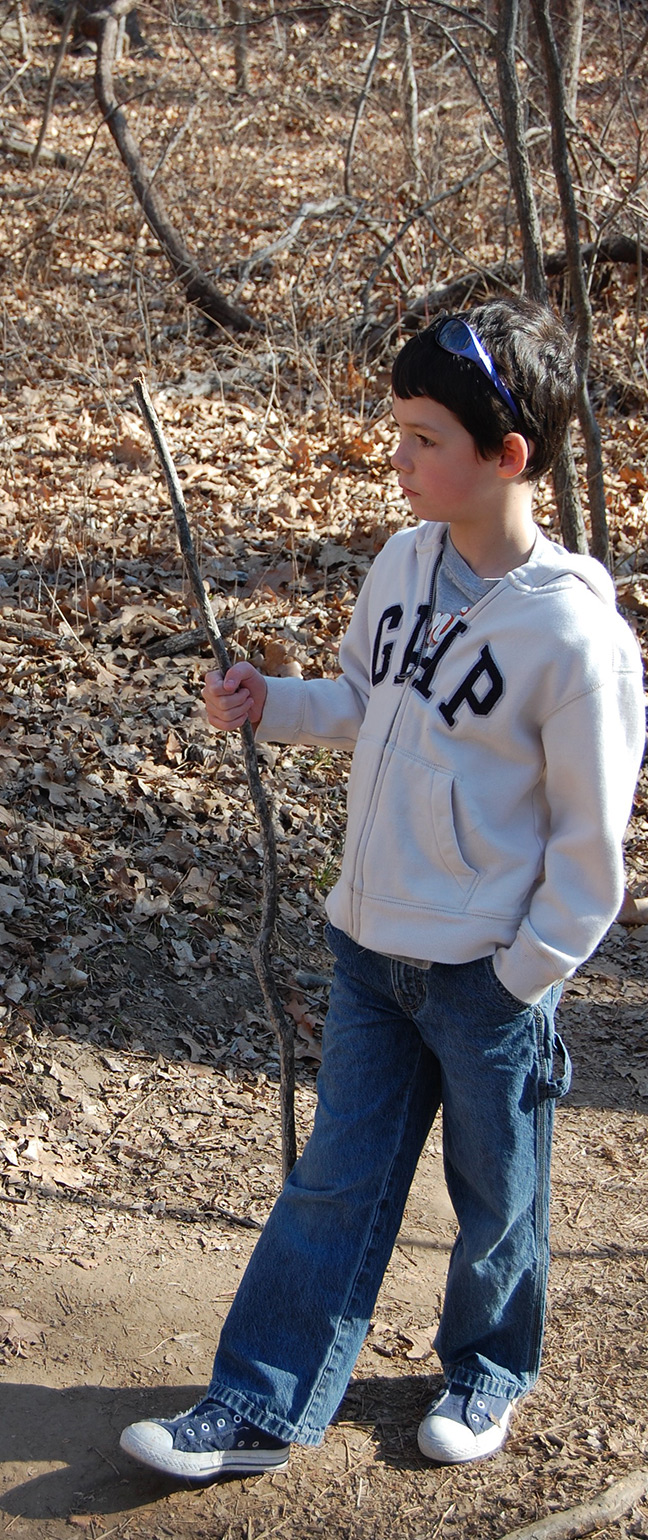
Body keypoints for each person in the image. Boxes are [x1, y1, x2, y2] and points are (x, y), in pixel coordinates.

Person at [119, 296, 646, 1481]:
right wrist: (273, 701)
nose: (395, 458)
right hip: (370, 951)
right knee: (332, 1185)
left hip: (490, 979)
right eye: (396, 428)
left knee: (496, 1195)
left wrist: (523, 974)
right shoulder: (404, 562)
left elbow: (586, 847)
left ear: (506, 457)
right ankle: (257, 1403)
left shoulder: (575, 638)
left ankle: (488, 1367)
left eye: (422, 437)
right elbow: (362, 698)